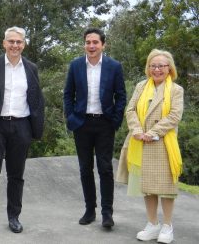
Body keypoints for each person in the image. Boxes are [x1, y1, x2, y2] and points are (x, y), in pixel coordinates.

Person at [0, 26, 45, 237]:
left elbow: (35, 98)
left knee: (16, 176)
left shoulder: (31, 68)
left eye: (19, 42)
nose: (15, 45)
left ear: (24, 45)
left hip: (21, 126)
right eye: (11, 42)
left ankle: (13, 217)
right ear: (4, 43)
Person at [116, 49, 183, 244]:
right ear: (148, 68)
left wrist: (152, 132)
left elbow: (174, 116)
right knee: (148, 187)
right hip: (140, 142)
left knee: (166, 188)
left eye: (161, 66)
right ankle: (152, 224)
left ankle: (167, 226)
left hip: (163, 144)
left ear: (169, 68)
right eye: (153, 66)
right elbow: (130, 109)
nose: (157, 69)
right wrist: (137, 130)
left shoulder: (176, 90)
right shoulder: (141, 86)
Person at [63, 27, 126, 228]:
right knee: (85, 169)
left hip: (105, 124)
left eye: (95, 42)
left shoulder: (114, 66)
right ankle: (90, 210)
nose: (91, 46)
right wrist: (71, 118)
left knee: (105, 168)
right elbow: (68, 94)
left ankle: (107, 213)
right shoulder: (75, 66)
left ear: (103, 44)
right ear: (84, 44)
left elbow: (121, 96)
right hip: (82, 124)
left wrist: (115, 120)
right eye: (88, 42)